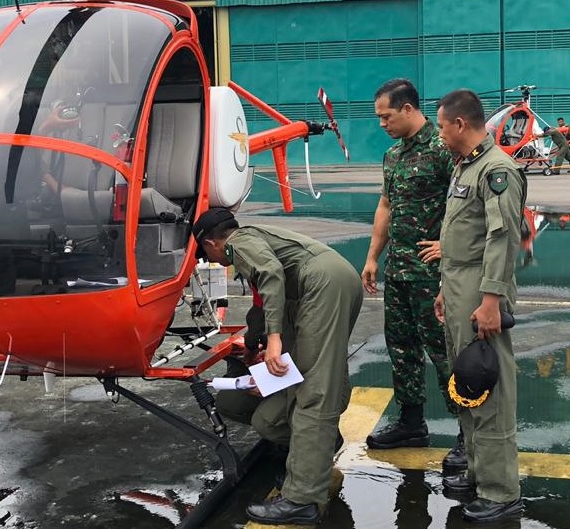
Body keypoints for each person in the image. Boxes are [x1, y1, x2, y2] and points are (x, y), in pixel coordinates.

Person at [193, 208, 363, 526]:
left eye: (205, 254)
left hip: (323, 286)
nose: (213, 261)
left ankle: (302, 500)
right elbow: (262, 304)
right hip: (327, 283)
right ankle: (316, 452)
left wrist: (273, 340)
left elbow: (271, 276)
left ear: (211, 243)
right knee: (310, 379)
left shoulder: (238, 243)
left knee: (313, 388)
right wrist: (253, 345)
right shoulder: (252, 241)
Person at [360, 79, 464, 471]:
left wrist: (448, 244)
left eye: (386, 116)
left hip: (433, 275)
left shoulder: (443, 148)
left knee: (444, 351)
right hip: (400, 271)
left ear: (407, 109)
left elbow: (466, 203)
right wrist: (373, 257)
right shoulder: (393, 155)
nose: (382, 123)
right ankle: (411, 423)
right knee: (401, 348)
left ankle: (468, 432)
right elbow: (386, 205)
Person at [433, 89, 525, 523]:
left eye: (441, 127)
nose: (439, 134)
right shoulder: (467, 166)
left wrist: (490, 301)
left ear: (460, 124)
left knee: (490, 391)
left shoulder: (496, 169)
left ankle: (500, 490)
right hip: (458, 284)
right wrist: (444, 289)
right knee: (467, 383)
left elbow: (501, 238)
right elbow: (461, 235)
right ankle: (477, 471)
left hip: (481, 287)